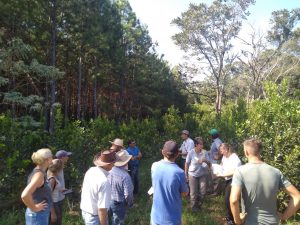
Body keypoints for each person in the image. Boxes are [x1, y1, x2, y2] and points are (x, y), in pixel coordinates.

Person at [230, 138, 300, 225]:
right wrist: (284, 216)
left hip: (250, 222)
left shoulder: (240, 171)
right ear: (260, 151)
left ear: (246, 152)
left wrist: (238, 221)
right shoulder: (276, 172)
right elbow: (297, 196)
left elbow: (234, 200)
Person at [151, 140, 189, 225]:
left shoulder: (154, 166)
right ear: (177, 154)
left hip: (155, 216)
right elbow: (185, 193)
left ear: (162, 152)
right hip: (172, 219)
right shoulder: (179, 172)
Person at [80, 150, 116, 225]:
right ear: (109, 164)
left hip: (85, 211)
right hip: (95, 217)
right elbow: (102, 209)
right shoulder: (104, 181)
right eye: (113, 163)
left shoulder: (91, 170)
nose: (114, 164)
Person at [21, 148, 53, 225]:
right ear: (48, 159)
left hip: (39, 215)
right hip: (37, 216)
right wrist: (35, 208)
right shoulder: (39, 175)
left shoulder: (40, 171)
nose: (53, 158)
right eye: (52, 156)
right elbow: (25, 195)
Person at [217, 143, 241, 225]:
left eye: (221, 150)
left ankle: (233, 220)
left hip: (234, 181)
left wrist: (222, 175)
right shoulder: (224, 157)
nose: (221, 152)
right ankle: (229, 216)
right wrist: (218, 169)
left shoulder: (235, 158)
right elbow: (222, 164)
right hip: (227, 180)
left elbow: (235, 172)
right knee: (227, 200)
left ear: (226, 150)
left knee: (229, 200)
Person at [108, 150, 134, 225]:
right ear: (125, 162)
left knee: (108, 220)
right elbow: (128, 194)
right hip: (119, 203)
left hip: (107, 200)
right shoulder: (125, 176)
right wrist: (130, 203)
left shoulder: (108, 170)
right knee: (118, 222)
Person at [185, 137, 210, 211]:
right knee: (193, 193)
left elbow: (209, 164)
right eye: (200, 144)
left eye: (202, 144)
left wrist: (205, 160)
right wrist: (185, 174)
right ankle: (193, 208)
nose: (202, 146)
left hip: (202, 174)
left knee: (203, 191)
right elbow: (186, 163)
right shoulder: (191, 152)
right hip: (192, 174)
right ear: (196, 145)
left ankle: (198, 205)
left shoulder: (204, 152)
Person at [55, 149, 72, 224]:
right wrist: (61, 189)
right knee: (57, 220)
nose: (68, 157)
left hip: (60, 197)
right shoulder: (56, 167)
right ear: (62, 157)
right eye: (66, 156)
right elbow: (52, 181)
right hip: (56, 199)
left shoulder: (61, 166)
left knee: (59, 218)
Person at [47, 159, 64, 225]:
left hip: (55, 204)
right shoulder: (52, 180)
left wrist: (60, 189)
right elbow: (49, 196)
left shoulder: (52, 177)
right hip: (53, 205)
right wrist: (53, 213)